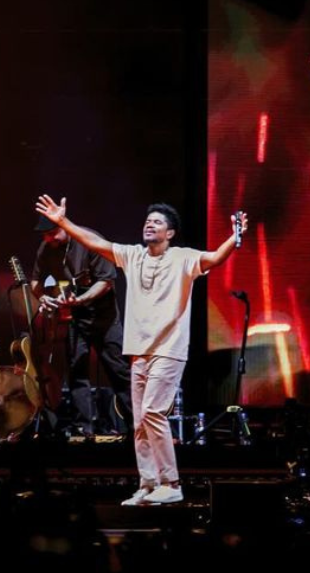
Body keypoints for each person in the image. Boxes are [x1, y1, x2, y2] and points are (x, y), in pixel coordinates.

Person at [35, 195, 246, 505]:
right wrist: (64, 222)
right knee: (139, 421)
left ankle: (171, 483)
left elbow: (214, 258)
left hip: (169, 349)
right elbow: (97, 244)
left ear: (170, 233)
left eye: (158, 222)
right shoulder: (133, 256)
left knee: (153, 413)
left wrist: (234, 237)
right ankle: (148, 484)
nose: (150, 224)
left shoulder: (183, 258)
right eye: (148, 220)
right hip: (139, 350)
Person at [30, 213, 132, 438]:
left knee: (119, 370)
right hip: (75, 316)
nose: (49, 239)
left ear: (64, 227)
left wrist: (83, 299)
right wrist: (43, 297)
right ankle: (83, 429)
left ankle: (137, 425)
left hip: (103, 317)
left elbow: (106, 282)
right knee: (77, 371)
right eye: (45, 236)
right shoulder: (46, 248)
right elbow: (35, 281)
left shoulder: (88, 240)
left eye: (52, 233)